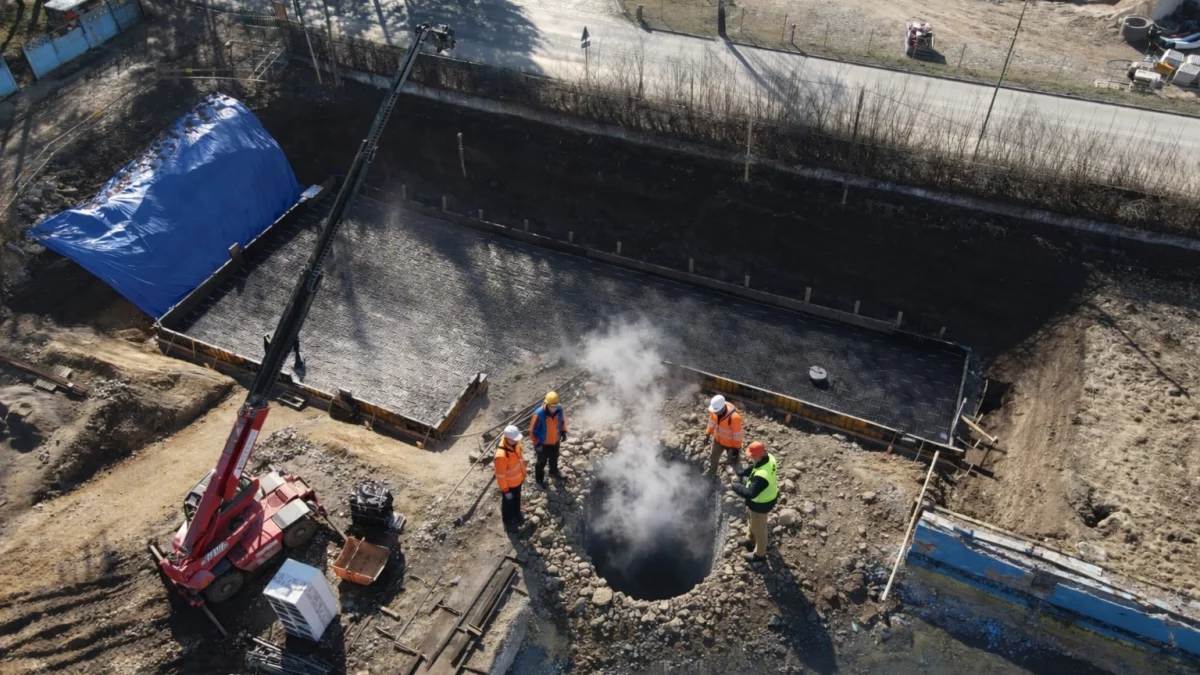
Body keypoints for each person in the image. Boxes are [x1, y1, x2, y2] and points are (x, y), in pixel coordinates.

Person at [730, 441, 779, 562]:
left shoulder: (762, 476)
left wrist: (735, 486)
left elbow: (751, 493)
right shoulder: (769, 458)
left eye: (752, 455)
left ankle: (759, 554)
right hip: (762, 500)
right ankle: (750, 541)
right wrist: (742, 474)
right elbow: (755, 467)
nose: (750, 457)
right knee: (751, 520)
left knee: (759, 530)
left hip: (761, 504)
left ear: (758, 456)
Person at [529, 390, 568, 486]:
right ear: (546, 403)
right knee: (541, 462)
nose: (553, 408)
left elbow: (562, 421)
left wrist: (563, 431)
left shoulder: (560, 409)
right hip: (543, 444)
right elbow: (533, 431)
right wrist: (537, 444)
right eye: (551, 406)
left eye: (555, 406)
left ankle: (553, 471)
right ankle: (539, 480)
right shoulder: (539, 414)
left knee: (554, 457)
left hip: (555, 441)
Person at [494, 425, 527, 533]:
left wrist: (523, 475)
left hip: (518, 481)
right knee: (508, 504)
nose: (517, 441)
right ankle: (508, 523)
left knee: (517, 499)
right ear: (507, 438)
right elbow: (500, 475)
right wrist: (505, 490)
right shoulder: (501, 456)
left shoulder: (515, 444)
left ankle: (517, 513)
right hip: (509, 486)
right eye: (514, 439)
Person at [704, 394, 743, 477]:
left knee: (733, 460)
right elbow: (711, 423)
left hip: (731, 445)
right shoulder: (715, 411)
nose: (714, 412)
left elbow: (737, 436)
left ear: (722, 408)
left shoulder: (734, 418)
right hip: (718, 440)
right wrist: (707, 433)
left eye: (716, 411)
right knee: (714, 457)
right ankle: (712, 472)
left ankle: (736, 478)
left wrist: (736, 448)